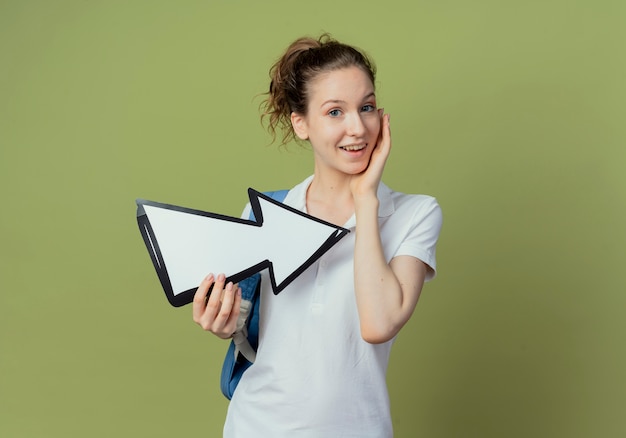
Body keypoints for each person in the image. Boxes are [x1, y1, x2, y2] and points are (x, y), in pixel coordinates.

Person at [192, 34, 442, 437]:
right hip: (256, 426)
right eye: (335, 112)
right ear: (301, 123)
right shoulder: (264, 212)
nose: (358, 127)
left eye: (367, 107)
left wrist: (365, 199)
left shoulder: (415, 214)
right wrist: (222, 320)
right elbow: (241, 326)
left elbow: (378, 324)